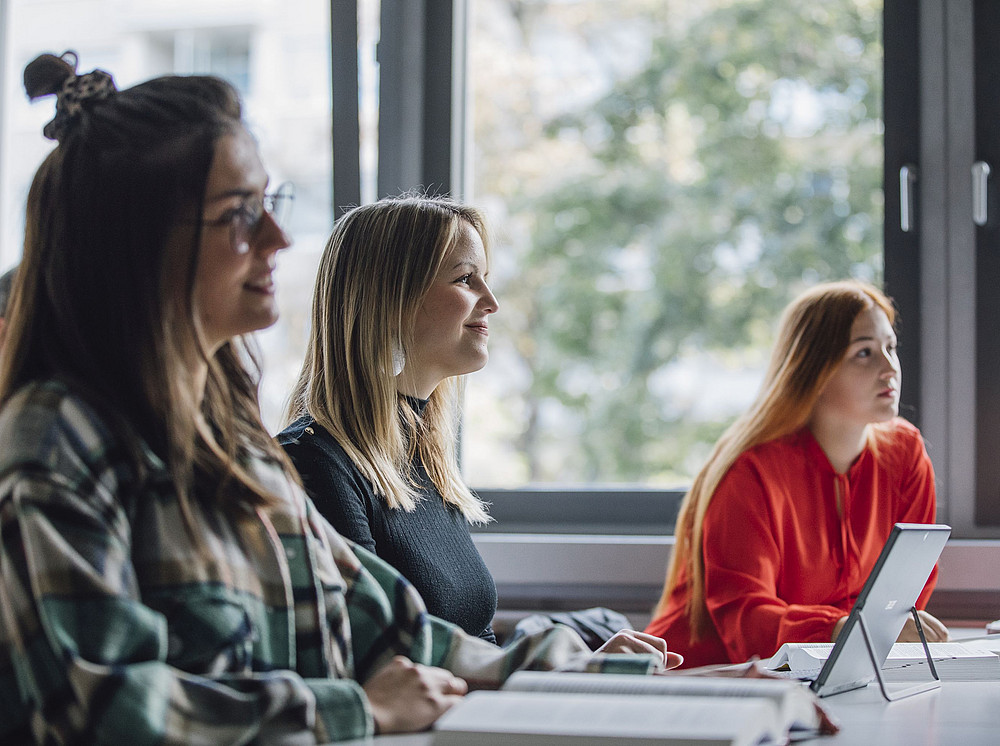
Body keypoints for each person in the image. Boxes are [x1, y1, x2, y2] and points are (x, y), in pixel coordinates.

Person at [0, 52, 673, 746]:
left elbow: (388, 627)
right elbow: (104, 708)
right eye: (240, 215)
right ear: (135, 245)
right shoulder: (57, 440)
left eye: (271, 204)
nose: (279, 238)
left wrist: (567, 668)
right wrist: (354, 710)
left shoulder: (233, 442)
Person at [279, 196, 662, 653]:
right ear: (391, 301)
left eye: (486, 279)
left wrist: (582, 670)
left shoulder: (420, 459)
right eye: (465, 279)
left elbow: (475, 650)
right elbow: (377, 662)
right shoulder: (314, 464)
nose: (492, 302)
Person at [644, 280, 949, 668]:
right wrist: (844, 630)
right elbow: (747, 624)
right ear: (814, 371)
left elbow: (904, 593)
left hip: (827, 676)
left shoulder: (905, 454)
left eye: (890, 347)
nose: (889, 368)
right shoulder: (750, 471)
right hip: (701, 680)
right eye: (864, 353)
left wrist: (861, 637)